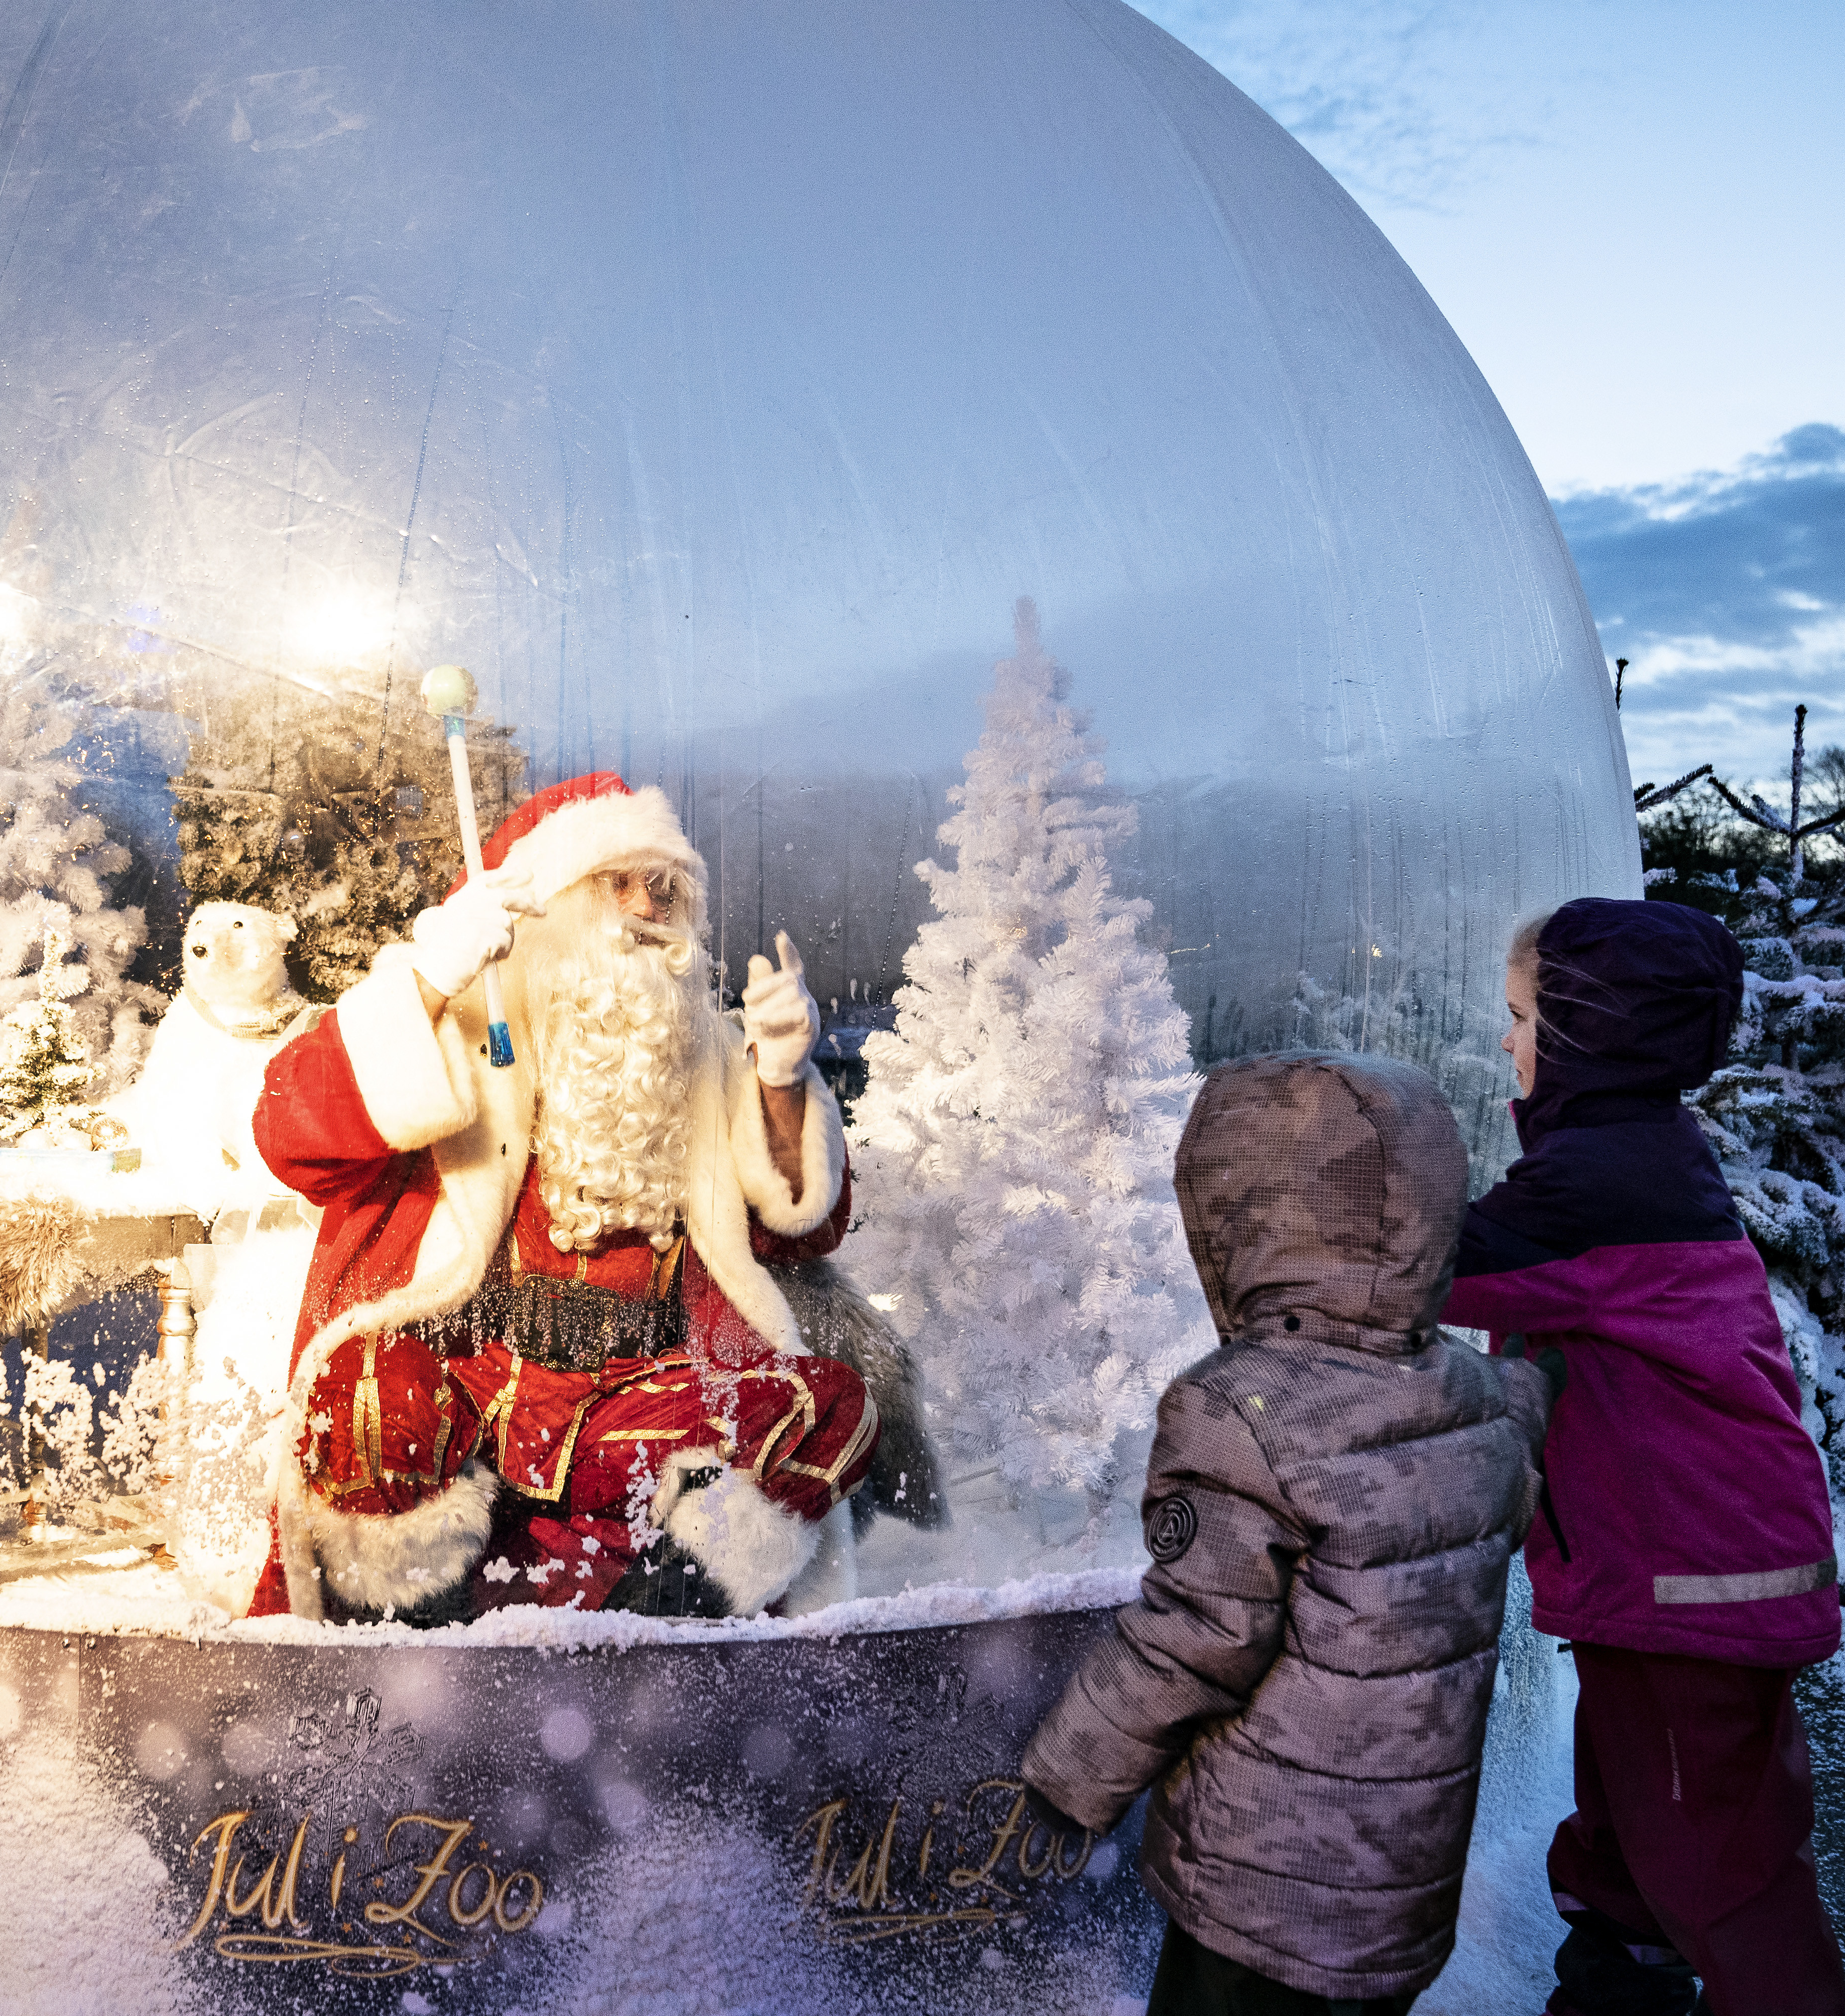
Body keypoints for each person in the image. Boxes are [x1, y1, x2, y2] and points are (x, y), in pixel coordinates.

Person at [244, 772, 877, 1622]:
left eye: (667, 887)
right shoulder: (456, 1029)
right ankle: (413, 1628)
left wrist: (782, 1079)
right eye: (621, 882)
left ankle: (678, 1609)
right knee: (365, 1393)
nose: (649, 907)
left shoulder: (705, 1056)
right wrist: (425, 983)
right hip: (468, 1388)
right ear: (554, 905)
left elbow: (799, 1228)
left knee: (825, 1407)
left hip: (635, 1405)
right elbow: (290, 1135)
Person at [1022, 1051, 1550, 2015]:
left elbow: (1198, 1631)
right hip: (1400, 1894)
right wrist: (1541, 1378)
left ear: (1249, 1223)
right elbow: (1512, 1460)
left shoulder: (1244, 1412)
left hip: (1259, 1894)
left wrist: (1073, 1773)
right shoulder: (1472, 1398)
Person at [1446, 897, 1845, 2016]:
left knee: (1721, 1865)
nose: (1507, 1042)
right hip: (1678, 1571)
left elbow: (1430, 1265)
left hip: (1693, 1576)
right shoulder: (1635, 1156)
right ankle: (1619, 1987)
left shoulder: (1600, 1182)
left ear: (1587, 1033)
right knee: (1632, 1819)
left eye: (1523, 1016)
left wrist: (1309, 1183)